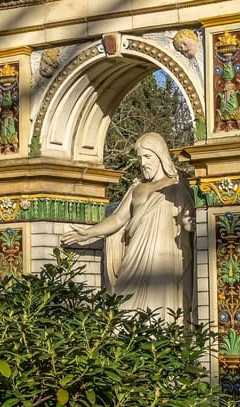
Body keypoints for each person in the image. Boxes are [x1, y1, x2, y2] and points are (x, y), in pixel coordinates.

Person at [60, 133, 192, 315]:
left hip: (163, 258)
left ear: (160, 155)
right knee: (125, 304)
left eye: (148, 156)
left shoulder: (176, 186)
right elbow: (118, 219)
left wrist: (190, 224)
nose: (143, 163)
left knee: (158, 308)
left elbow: (189, 218)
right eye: (140, 158)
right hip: (135, 253)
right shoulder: (137, 187)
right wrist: (89, 233)